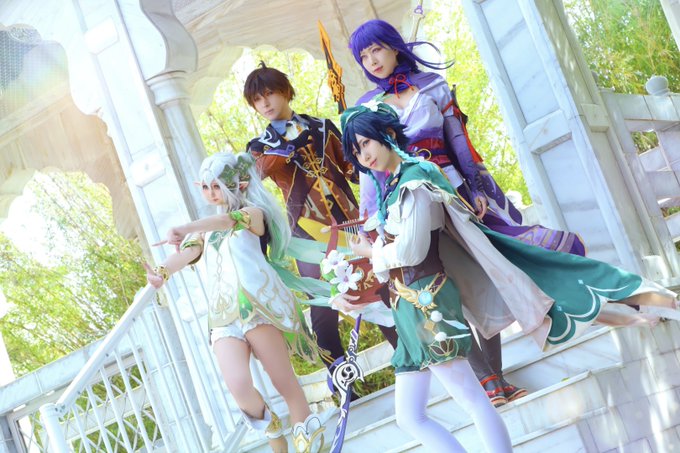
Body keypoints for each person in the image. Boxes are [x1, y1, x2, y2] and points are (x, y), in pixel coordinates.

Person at [336, 101, 677, 451]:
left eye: (366, 142)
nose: (364, 155)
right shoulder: (393, 188)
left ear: (387, 134)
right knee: (409, 417)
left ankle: (652, 302)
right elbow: (395, 258)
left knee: (473, 402)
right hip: (407, 306)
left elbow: (413, 251)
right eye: (356, 150)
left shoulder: (416, 180)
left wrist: (371, 253)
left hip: (428, 303)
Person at [348, 18, 585, 405]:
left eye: (376, 49)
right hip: (406, 202)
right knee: (436, 288)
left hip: (452, 192)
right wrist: (371, 221)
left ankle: (497, 377)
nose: (371, 60)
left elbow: (457, 138)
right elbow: (367, 171)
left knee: (483, 277)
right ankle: (486, 380)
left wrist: (475, 186)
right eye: (363, 56)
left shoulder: (432, 86)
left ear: (393, 47)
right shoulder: (365, 107)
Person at [145, 152, 324, 453]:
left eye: (217, 185)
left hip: (257, 306)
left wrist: (186, 227)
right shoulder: (203, 231)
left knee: (284, 381)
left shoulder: (254, 214)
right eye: (206, 187)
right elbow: (187, 254)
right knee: (238, 385)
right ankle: (273, 430)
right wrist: (161, 272)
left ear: (238, 184)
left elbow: (228, 220)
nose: (211, 193)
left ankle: (309, 440)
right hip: (223, 315)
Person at [243, 63, 399, 383]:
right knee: (324, 303)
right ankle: (340, 379)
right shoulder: (259, 147)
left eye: (270, 93)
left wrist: (361, 147)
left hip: (350, 221)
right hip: (307, 231)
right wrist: (287, 148)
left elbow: (352, 169)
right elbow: (257, 175)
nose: (265, 103)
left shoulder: (323, 127)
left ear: (285, 91)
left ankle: (409, 356)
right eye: (257, 99)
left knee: (376, 287)